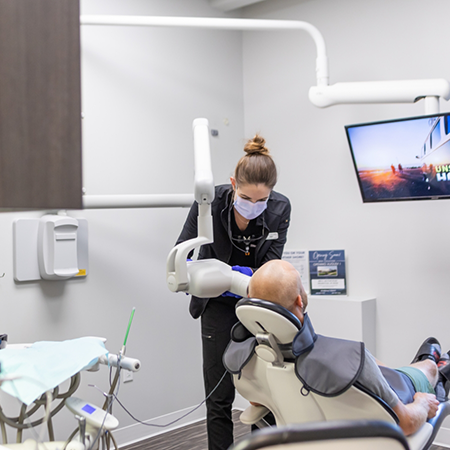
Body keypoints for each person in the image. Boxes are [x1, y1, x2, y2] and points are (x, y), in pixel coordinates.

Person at [175, 134, 291, 450]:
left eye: (261, 201)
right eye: (246, 198)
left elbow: (270, 268)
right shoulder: (209, 202)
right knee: (219, 396)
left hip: (257, 306)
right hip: (216, 306)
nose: (253, 206)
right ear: (232, 184)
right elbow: (182, 250)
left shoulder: (280, 209)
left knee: (263, 394)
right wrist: (191, 275)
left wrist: (230, 276)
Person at [250, 259, 447, 436]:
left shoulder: (249, 361)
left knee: (379, 366)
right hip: (386, 418)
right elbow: (406, 423)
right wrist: (422, 401)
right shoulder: (350, 359)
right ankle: (437, 367)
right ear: (300, 301)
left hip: (311, 436)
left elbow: (257, 401)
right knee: (428, 370)